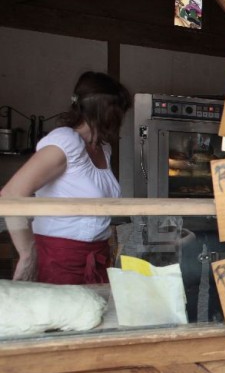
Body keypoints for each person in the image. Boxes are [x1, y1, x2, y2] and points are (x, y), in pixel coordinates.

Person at [1, 71, 131, 284]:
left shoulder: (103, 148)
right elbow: (11, 194)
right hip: (60, 257)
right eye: (119, 111)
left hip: (96, 254)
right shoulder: (66, 142)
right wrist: (27, 254)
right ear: (105, 111)